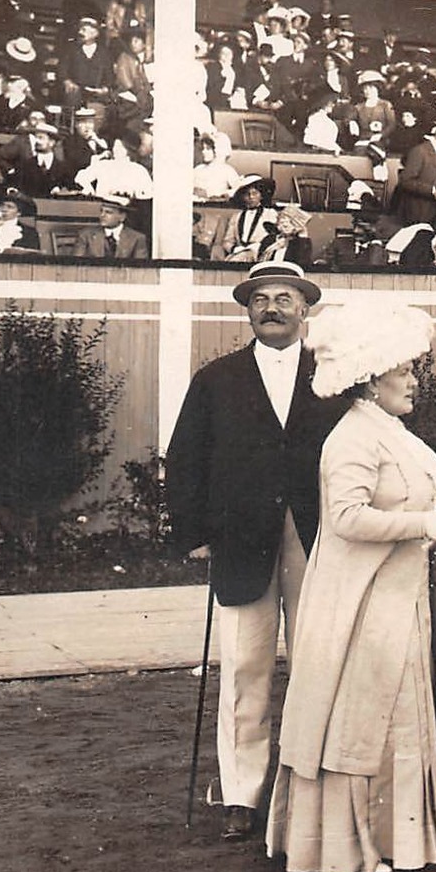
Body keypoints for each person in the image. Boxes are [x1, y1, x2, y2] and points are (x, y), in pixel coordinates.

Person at [268, 302, 436, 872]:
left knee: (400, 717)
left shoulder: (393, 432)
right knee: (364, 720)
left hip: (399, 600)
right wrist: (423, 525)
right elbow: (345, 519)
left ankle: (397, 839)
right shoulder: (352, 437)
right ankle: (354, 842)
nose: (413, 380)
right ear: (370, 377)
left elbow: (416, 496)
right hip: (361, 607)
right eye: (404, 371)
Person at [164, 261, 352, 842]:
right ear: (247, 310)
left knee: (315, 660)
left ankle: (306, 785)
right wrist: (193, 532)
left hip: (316, 536)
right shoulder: (217, 378)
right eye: (261, 299)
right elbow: (185, 458)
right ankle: (242, 793)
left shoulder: (332, 376)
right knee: (245, 667)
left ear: (305, 309)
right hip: (241, 538)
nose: (272, 307)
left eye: (285, 298)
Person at [72, 194, 148, 259]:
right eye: (101, 211)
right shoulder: (86, 235)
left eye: (108, 212)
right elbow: (77, 265)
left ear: (122, 217)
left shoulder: (137, 238)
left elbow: (140, 269)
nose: (102, 215)